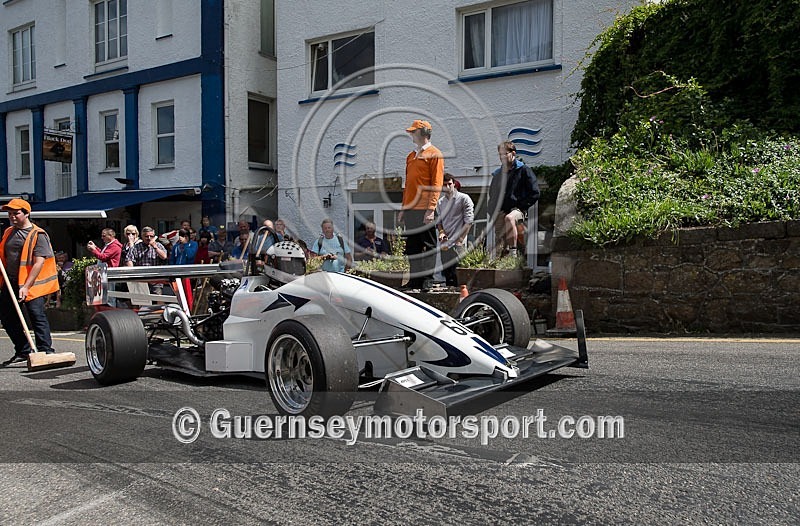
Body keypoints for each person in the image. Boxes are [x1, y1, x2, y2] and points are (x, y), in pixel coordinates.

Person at [0, 198, 59, 365]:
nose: (12, 216)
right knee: (7, 317)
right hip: (10, 281)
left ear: (26, 214)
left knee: (36, 315)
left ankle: (45, 350)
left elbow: (39, 262)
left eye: (16, 213)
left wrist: (26, 286)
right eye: (9, 213)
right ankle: (23, 350)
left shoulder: (37, 234)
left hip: (31, 283)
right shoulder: (8, 232)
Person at [398, 119, 443, 290]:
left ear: (423, 133)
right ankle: (415, 279)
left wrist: (431, 209)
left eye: (413, 131)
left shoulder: (434, 154)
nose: (411, 134)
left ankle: (428, 279)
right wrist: (404, 207)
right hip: (411, 209)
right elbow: (408, 184)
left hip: (425, 208)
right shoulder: (411, 156)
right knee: (413, 246)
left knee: (429, 245)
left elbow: (437, 183)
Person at [489, 141, 540, 258]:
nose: (502, 157)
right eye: (500, 155)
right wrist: (493, 211)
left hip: (518, 209)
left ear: (513, 153)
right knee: (500, 240)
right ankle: (502, 257)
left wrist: (521, 205)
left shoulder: (523, 170)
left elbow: (535, 192)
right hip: (501, 210)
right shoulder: (498, 174)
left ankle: (513, 252)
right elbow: (492, 194)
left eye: (504, 154)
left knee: (509, 218)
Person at [436, 173, 474, 286]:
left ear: (454, 184)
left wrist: (461, 239)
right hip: (445, 242)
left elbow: (469, 221)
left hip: (459, 241)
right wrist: (441, 232)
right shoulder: (440, 202)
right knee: (447, 272)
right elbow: (438, 222)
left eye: (449, 184)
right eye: (444, 185)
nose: (447, 187)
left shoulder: (464, 198)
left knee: (459, 271)